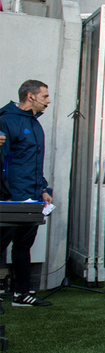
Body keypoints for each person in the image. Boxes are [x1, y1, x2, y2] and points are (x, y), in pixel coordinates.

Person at [0, 79, 53, 307]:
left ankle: (21, 294)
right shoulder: (6, 120)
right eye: (45, 96)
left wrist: (43, 188)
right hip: (12, 198)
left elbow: (33, 162)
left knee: (23, 245)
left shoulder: (35, 123)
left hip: (32, 197)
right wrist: (6, 194)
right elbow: (2, 161)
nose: (48, 101)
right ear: (30, 97)